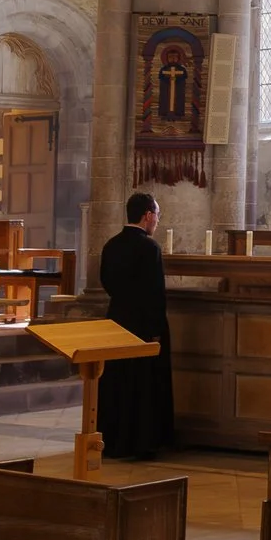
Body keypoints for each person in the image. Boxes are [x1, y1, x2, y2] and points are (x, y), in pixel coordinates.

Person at [96, 191, 173, 461]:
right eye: (158, 216)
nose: (158, 222)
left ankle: (113, 440)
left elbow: (106, 281)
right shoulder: (149, 248)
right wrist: (155, 331)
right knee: (141, 384)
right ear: (148, 216)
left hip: (116, 320)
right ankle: (140, 442)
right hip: (143, 325)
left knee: (117, 382)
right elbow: (155, 293)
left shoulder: (111, 245)